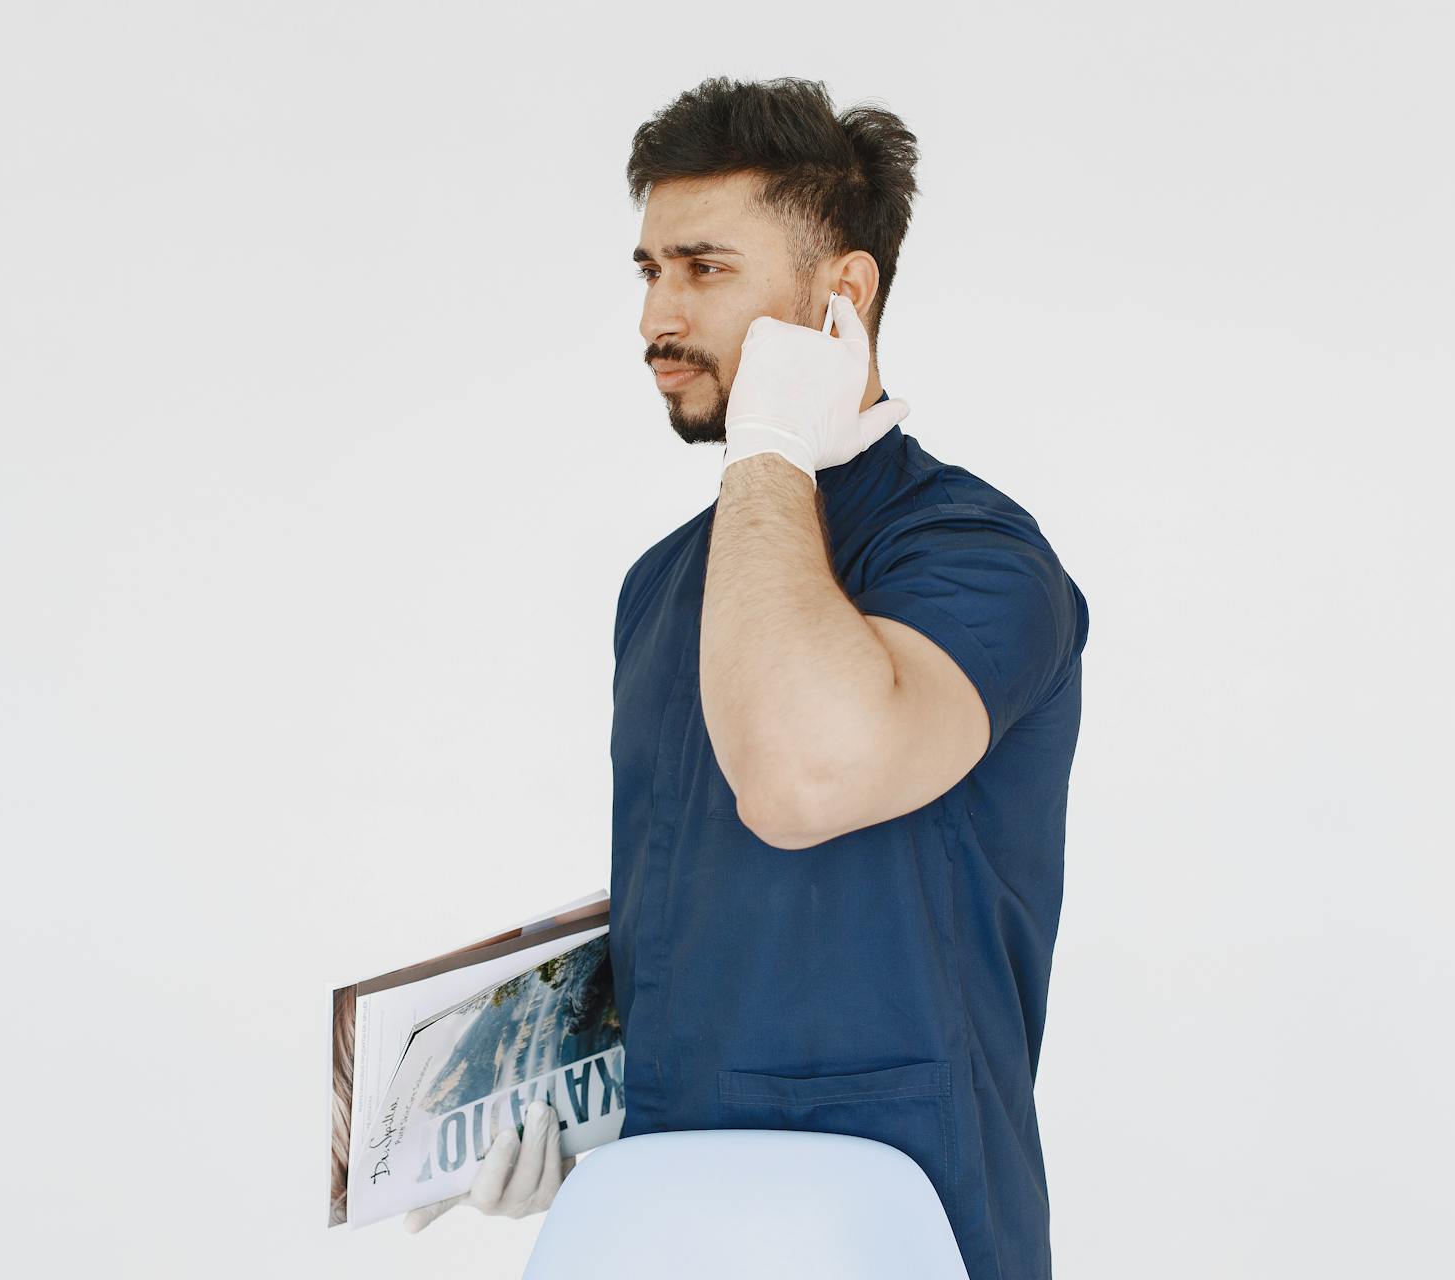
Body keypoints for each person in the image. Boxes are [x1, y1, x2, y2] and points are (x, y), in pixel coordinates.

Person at [424, 76, 1090, 1280]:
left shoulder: (981, 559)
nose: (655, 320)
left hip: (902, 1232)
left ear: (844, 296)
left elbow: (801, 776)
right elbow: (707, 911)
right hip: (665, 1224)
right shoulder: (662, 586)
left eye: (704, 268)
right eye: (647, 272)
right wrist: (566, 1107)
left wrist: (775, 440)